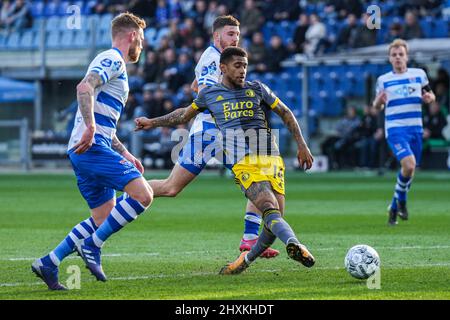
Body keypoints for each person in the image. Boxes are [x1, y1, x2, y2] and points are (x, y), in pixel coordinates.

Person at [135, 47, 316, 275]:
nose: (243, 71)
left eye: (245, 66)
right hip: (245, 163)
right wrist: (152, 122)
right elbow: (182, 115)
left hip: (272, 157)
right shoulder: (210, 94)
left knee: (273, 221)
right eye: (237, 66)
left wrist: (302, 145)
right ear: (223, 68)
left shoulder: (257, 88)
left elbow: (285, 112)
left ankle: (245, 261)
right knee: (269, 209)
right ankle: (295, 243)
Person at [31, 12, 153, 290]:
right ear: (132, 35)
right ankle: (93, 246)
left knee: (103, 216)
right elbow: (84, 86)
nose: (143, 46)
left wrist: (124, 153)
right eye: (142, 40)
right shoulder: (112, 59)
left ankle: (49, 262)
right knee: (143, 194)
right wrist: (90, 127)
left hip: (87, 148)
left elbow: (103, 122)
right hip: (90, 147)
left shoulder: (112, 63)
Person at [145, 15, 279, 258]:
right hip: (210, 133)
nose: (235, 38)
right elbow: (208, 94)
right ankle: (130, 188)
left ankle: (250, 240)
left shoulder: (222, 60)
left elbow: (197, 85)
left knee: (260, 183)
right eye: (230, 34)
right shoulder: (212, 58)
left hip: (229, 133)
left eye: (237, 34)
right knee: (171, 187)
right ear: (217, 36)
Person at [372, 39, 435, 226]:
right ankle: (403, 202)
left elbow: (430, 95)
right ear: (390, 59)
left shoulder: (419, 75)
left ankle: (393, 207)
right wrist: (378, 101)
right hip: (395, 129)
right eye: (394, 55)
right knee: (409, 165)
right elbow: (376, 106)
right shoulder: (384, 80)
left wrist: (429, 98)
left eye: (401, 54)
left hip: (415, 129)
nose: (398, 57)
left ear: (407, 57)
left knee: (410, 170)